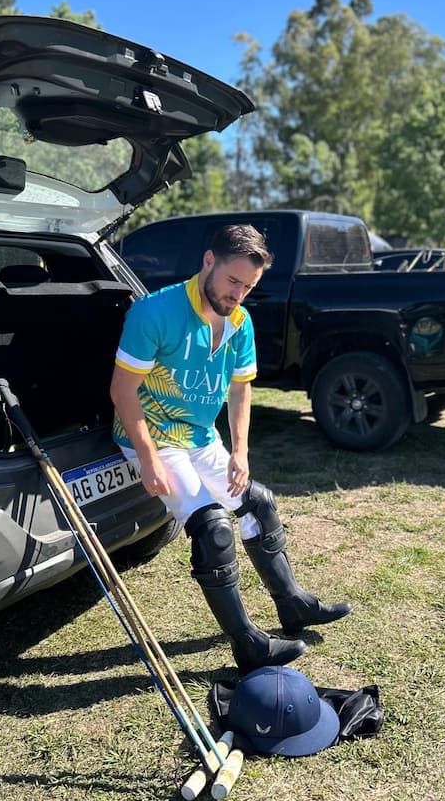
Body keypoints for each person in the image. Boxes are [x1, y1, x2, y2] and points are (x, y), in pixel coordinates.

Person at [110, 224, 351, 674]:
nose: (238, 294)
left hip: (201, 437)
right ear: (208, 261)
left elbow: (241, 389)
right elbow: (122, 390)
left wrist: (241, 452)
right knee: (213, 527)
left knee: (258, 503)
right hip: (156, 437)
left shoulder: (240, 321)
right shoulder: (154, 312)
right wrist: (146, 457)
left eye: (249, 287)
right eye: (233, 281)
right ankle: (248, 644)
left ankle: (293, 604)